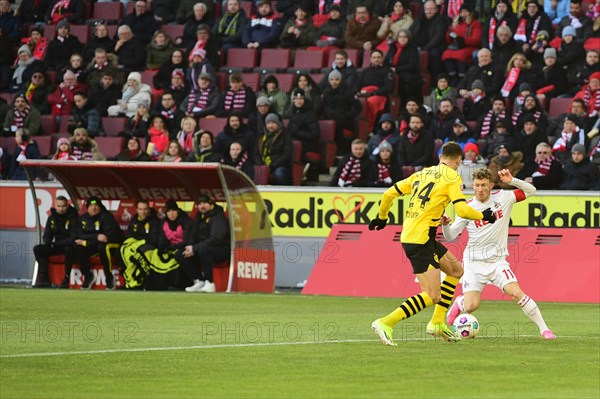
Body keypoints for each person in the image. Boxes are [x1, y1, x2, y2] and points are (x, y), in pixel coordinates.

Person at [369, 141, 497, 345]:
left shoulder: (422, 173)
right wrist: (484, 215)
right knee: (432, 295)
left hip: (419, 235)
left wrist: (382, 217)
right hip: (420, 241)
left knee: (456, 271)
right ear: (458, 161)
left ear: (440, 158)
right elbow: (462, 211)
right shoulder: (453, 177)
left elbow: (388, 194)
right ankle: (386, 322)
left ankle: (437, 323)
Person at [442, 168, 556, 340]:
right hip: (473, 263)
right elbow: (450, 237)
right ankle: (460, 303)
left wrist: (512, 180)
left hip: (497, 261)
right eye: (477, 185)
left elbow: (531, 191)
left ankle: (545, 330)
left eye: (484, 185)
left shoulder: (503, 197)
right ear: (472, 186)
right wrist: (445, 225)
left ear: (491, 185)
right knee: (472, 305)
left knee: (517, 293)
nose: (480, 189)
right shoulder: (466, 208)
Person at [178, 195, 231, 293]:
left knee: (204, 249)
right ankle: (200, 280)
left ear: (211, 204)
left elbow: (216, 239)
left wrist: (195, 248)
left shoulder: (219, 217)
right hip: (204, 248)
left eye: (204, 203)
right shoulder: (199, 216)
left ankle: (210, 282)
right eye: (199, 204)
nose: (202, 206)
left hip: (222, 250)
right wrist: (190, 247)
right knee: (180, 254)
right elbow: (193, 234)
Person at [74, 196, 122, 289]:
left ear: (100, 206)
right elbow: (78, 235)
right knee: (78, 246)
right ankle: (88, 275)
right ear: (87, 207)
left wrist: (87, 241)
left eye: (96, 205)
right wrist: (95, 237)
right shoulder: (83, 218)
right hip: (93, 244)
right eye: (91, 205)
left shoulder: (107, 217)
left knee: (103, 247)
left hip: (112, 244)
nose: (94, 208)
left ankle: (109, 277)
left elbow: (107, 238)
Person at [33, 195, 77, 288]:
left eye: (63, 206)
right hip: (57, 245)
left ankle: (66, 278)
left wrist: (56, 244)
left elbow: (74, 236)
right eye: (59, 206)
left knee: (69, 249)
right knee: (38, 249)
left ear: (67, 206)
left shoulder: (73, 217)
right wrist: (48, 242)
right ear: (55, 206)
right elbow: (47, 234)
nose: (61, 209)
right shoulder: (52, 217)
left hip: (69, 245)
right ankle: (44, 277)